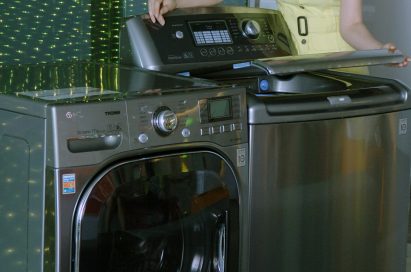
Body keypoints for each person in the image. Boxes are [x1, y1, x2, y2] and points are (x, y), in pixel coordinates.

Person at [147, 0, 409, 67]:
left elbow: (351, 26)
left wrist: (380, 50)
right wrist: (176, 3)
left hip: (341, 64)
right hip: (290, 61)